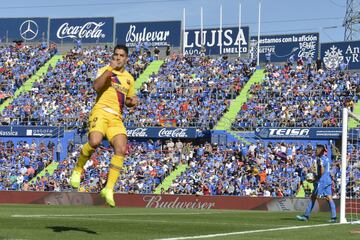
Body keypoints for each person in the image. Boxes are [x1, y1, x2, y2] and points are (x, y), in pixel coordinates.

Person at [69, 45, 137, 207]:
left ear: (126, 58)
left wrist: (131, 102)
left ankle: (109, 189)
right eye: (116, 55)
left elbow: (127, 100)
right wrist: (110, 70)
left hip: (116, 118)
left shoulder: (129, 78)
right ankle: (78, 169)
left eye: (122, 55)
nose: (119, 57)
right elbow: (96, 87)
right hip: (101, 111)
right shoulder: (105, 70)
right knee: (95, 142)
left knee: (121, 148)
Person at [296, 144, 337, 222]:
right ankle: (334, 217)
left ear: (321, 151)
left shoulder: (320, 159)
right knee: (329, 198)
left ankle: (306, 216)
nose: (316, 151)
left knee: (313, 197)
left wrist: (316, 178)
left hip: (322, 181)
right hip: (327, 180)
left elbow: (321, 170)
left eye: (317, 150)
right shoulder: (325, 158)